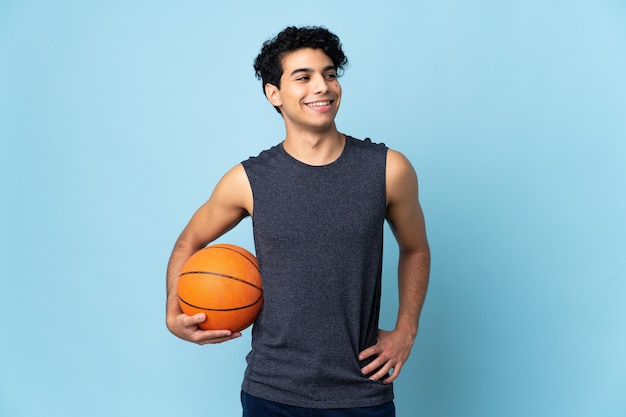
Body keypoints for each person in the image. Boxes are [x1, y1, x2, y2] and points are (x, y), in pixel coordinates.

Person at [166, 26, 430, 416]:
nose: (321, 86)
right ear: (274, 94)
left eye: (329, 74)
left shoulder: (389, 169)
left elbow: (416, 249)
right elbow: (187, 242)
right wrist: (175, 310)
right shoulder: (247, 180)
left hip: (361, 391)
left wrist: (406, 330)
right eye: (303, 77)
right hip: (272, 390)